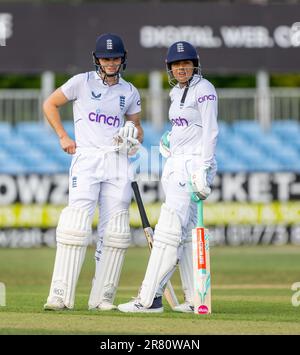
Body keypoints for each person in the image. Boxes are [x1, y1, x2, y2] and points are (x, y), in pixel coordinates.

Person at [43, 33, 143, 311]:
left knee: (116, 230)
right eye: (106, 58)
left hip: (116, 161)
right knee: (76, 224)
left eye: (115, 58)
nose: (111, 62)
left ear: (123, 59)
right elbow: (49, 104)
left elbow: (137, 128)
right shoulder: (81, 82)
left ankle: (103, 297)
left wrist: (132, 136)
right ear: (97, 59)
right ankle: (60, 295)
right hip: (86, 158)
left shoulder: (130, 91)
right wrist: (63, 136)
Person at [118, 41, 218, 313]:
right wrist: (168, 140)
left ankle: (149, 299)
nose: (181, 68)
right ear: (170, 68)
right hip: (175, 164)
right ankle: (193, 299)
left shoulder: (204, 89)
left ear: (195, 65)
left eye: (186, 64)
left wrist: (204, 168)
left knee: (167, 233)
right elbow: (184, 128)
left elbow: (210, 131)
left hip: (192, 166)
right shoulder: (176, 93)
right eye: (176, 65)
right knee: (183, 236)